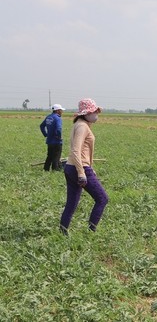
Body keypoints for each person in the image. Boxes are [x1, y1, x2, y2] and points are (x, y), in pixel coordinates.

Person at [60, 98, 108, 234]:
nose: (96, 114)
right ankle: (91, 230)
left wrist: (90, 167)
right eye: (93, 112)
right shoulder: (82, 126)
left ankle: (63, 231)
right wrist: (82, 172)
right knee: (102, 199)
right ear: (85, 113)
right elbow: (76, 150)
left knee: (72, 203)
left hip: (71, 167)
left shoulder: (81, 124)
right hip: (78, 168)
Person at [40, 104, 66, 171]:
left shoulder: (49, 117)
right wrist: (59, 137)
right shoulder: (57, 118)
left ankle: (46, 169)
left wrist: (46, 134)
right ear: (57, 111)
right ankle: (55, 170)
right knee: (56, 157)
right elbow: (58, 129)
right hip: (56, 141)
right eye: (61, 110)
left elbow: (41, 126)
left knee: (49, 156)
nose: (62, 112)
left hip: (49, 141)